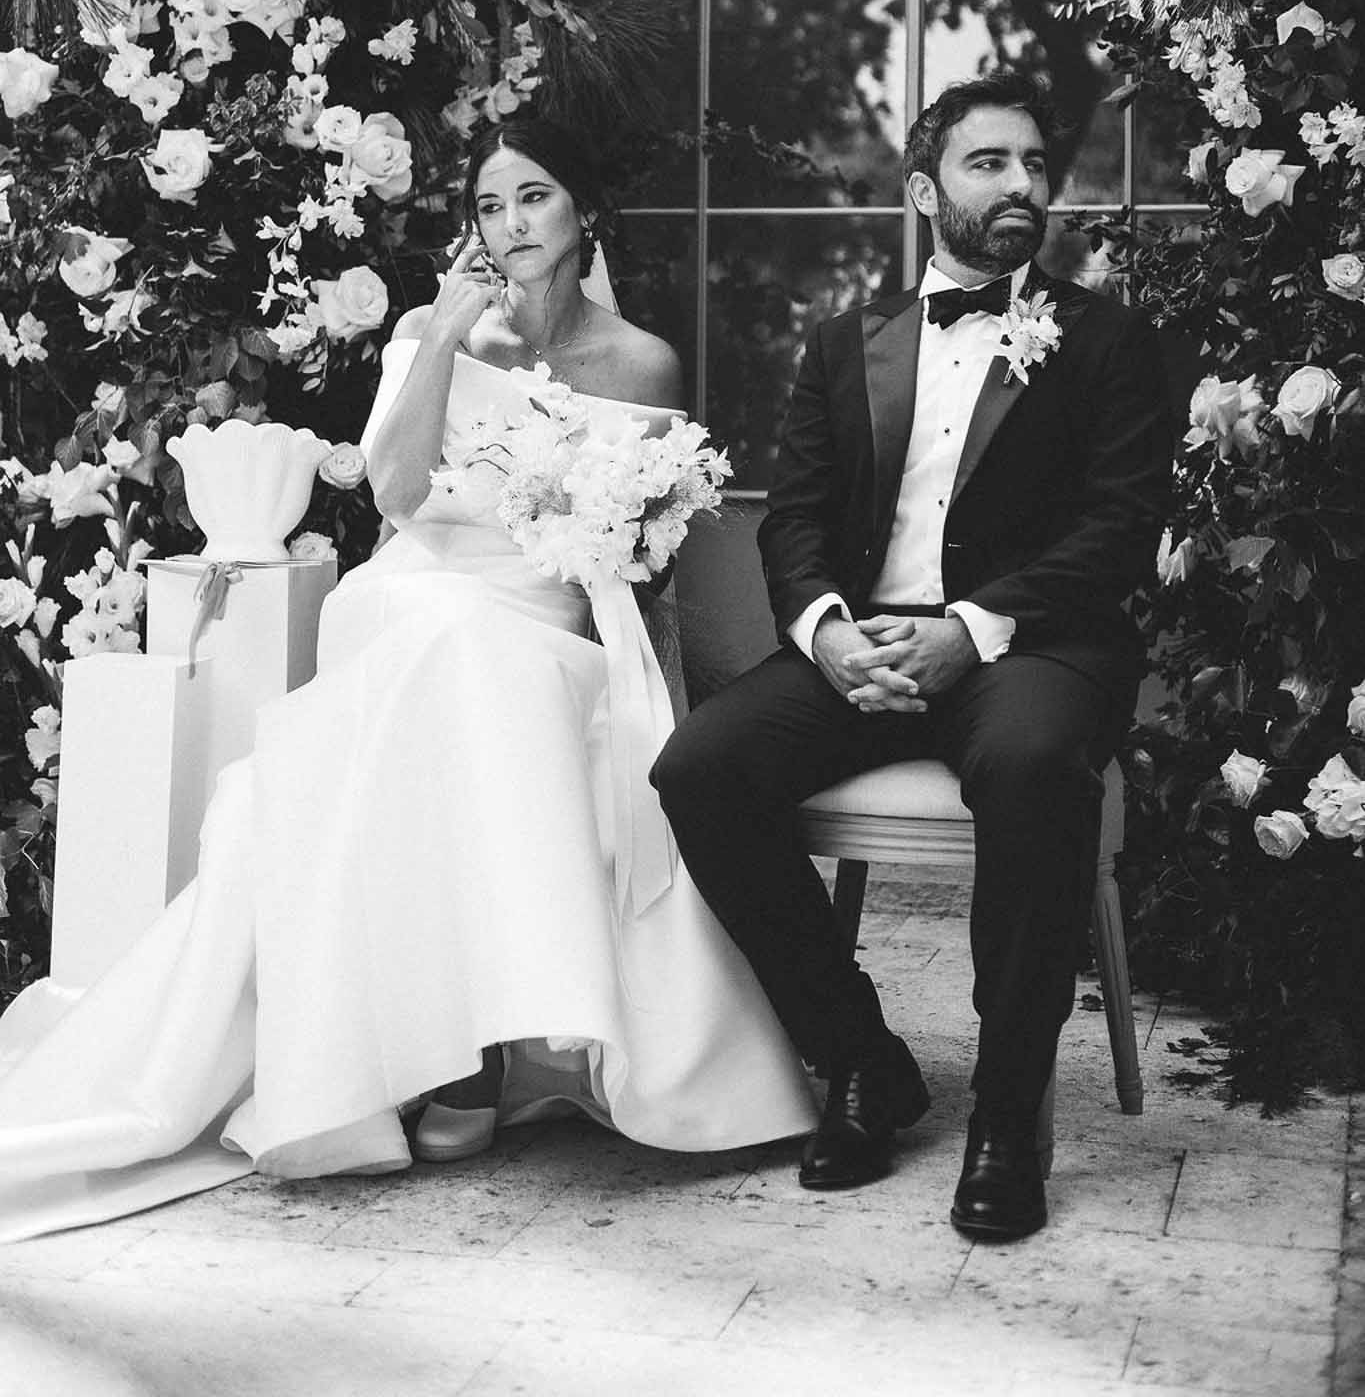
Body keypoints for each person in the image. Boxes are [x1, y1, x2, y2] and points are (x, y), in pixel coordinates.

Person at [0, 115, 813, 1243]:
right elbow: (393, 494)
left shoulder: (642, 362)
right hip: (413, 587)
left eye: (534, 195)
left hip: (545, 607)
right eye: (489, 204)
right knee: (443, 636)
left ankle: (478, 1050)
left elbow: (647, 552)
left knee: (478, 659)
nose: (511, 222)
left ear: (584, 214)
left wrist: (603, 544)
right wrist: (441, 336)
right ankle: (453, 1054)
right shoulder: (437, 329)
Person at [652, 76, 1173, 1242]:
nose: (1023, 183)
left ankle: (1005, 1119)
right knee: (700, 767)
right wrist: (828, 632)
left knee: (1033, 765)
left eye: (1034, 162)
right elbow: (795, 519)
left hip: (1033, 645)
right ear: (926, 190)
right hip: (869, 641)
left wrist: (971, 628)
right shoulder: (847, 342)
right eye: (991, 162)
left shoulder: (1106, 339)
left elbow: (1120, 525)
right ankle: (861, 1058)